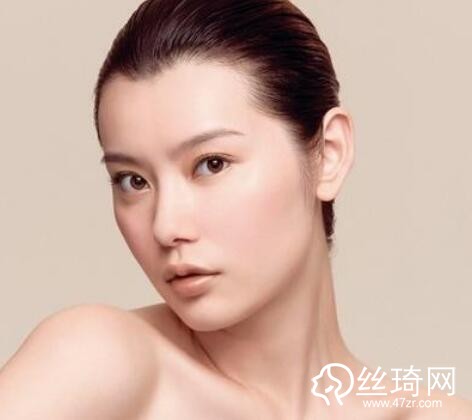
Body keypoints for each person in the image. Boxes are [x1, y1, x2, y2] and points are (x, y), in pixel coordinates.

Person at [0, 0, 471, 419]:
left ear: (328, 154)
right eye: (133, 180)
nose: (166, 226)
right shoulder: (101, 361)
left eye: (211, 164)